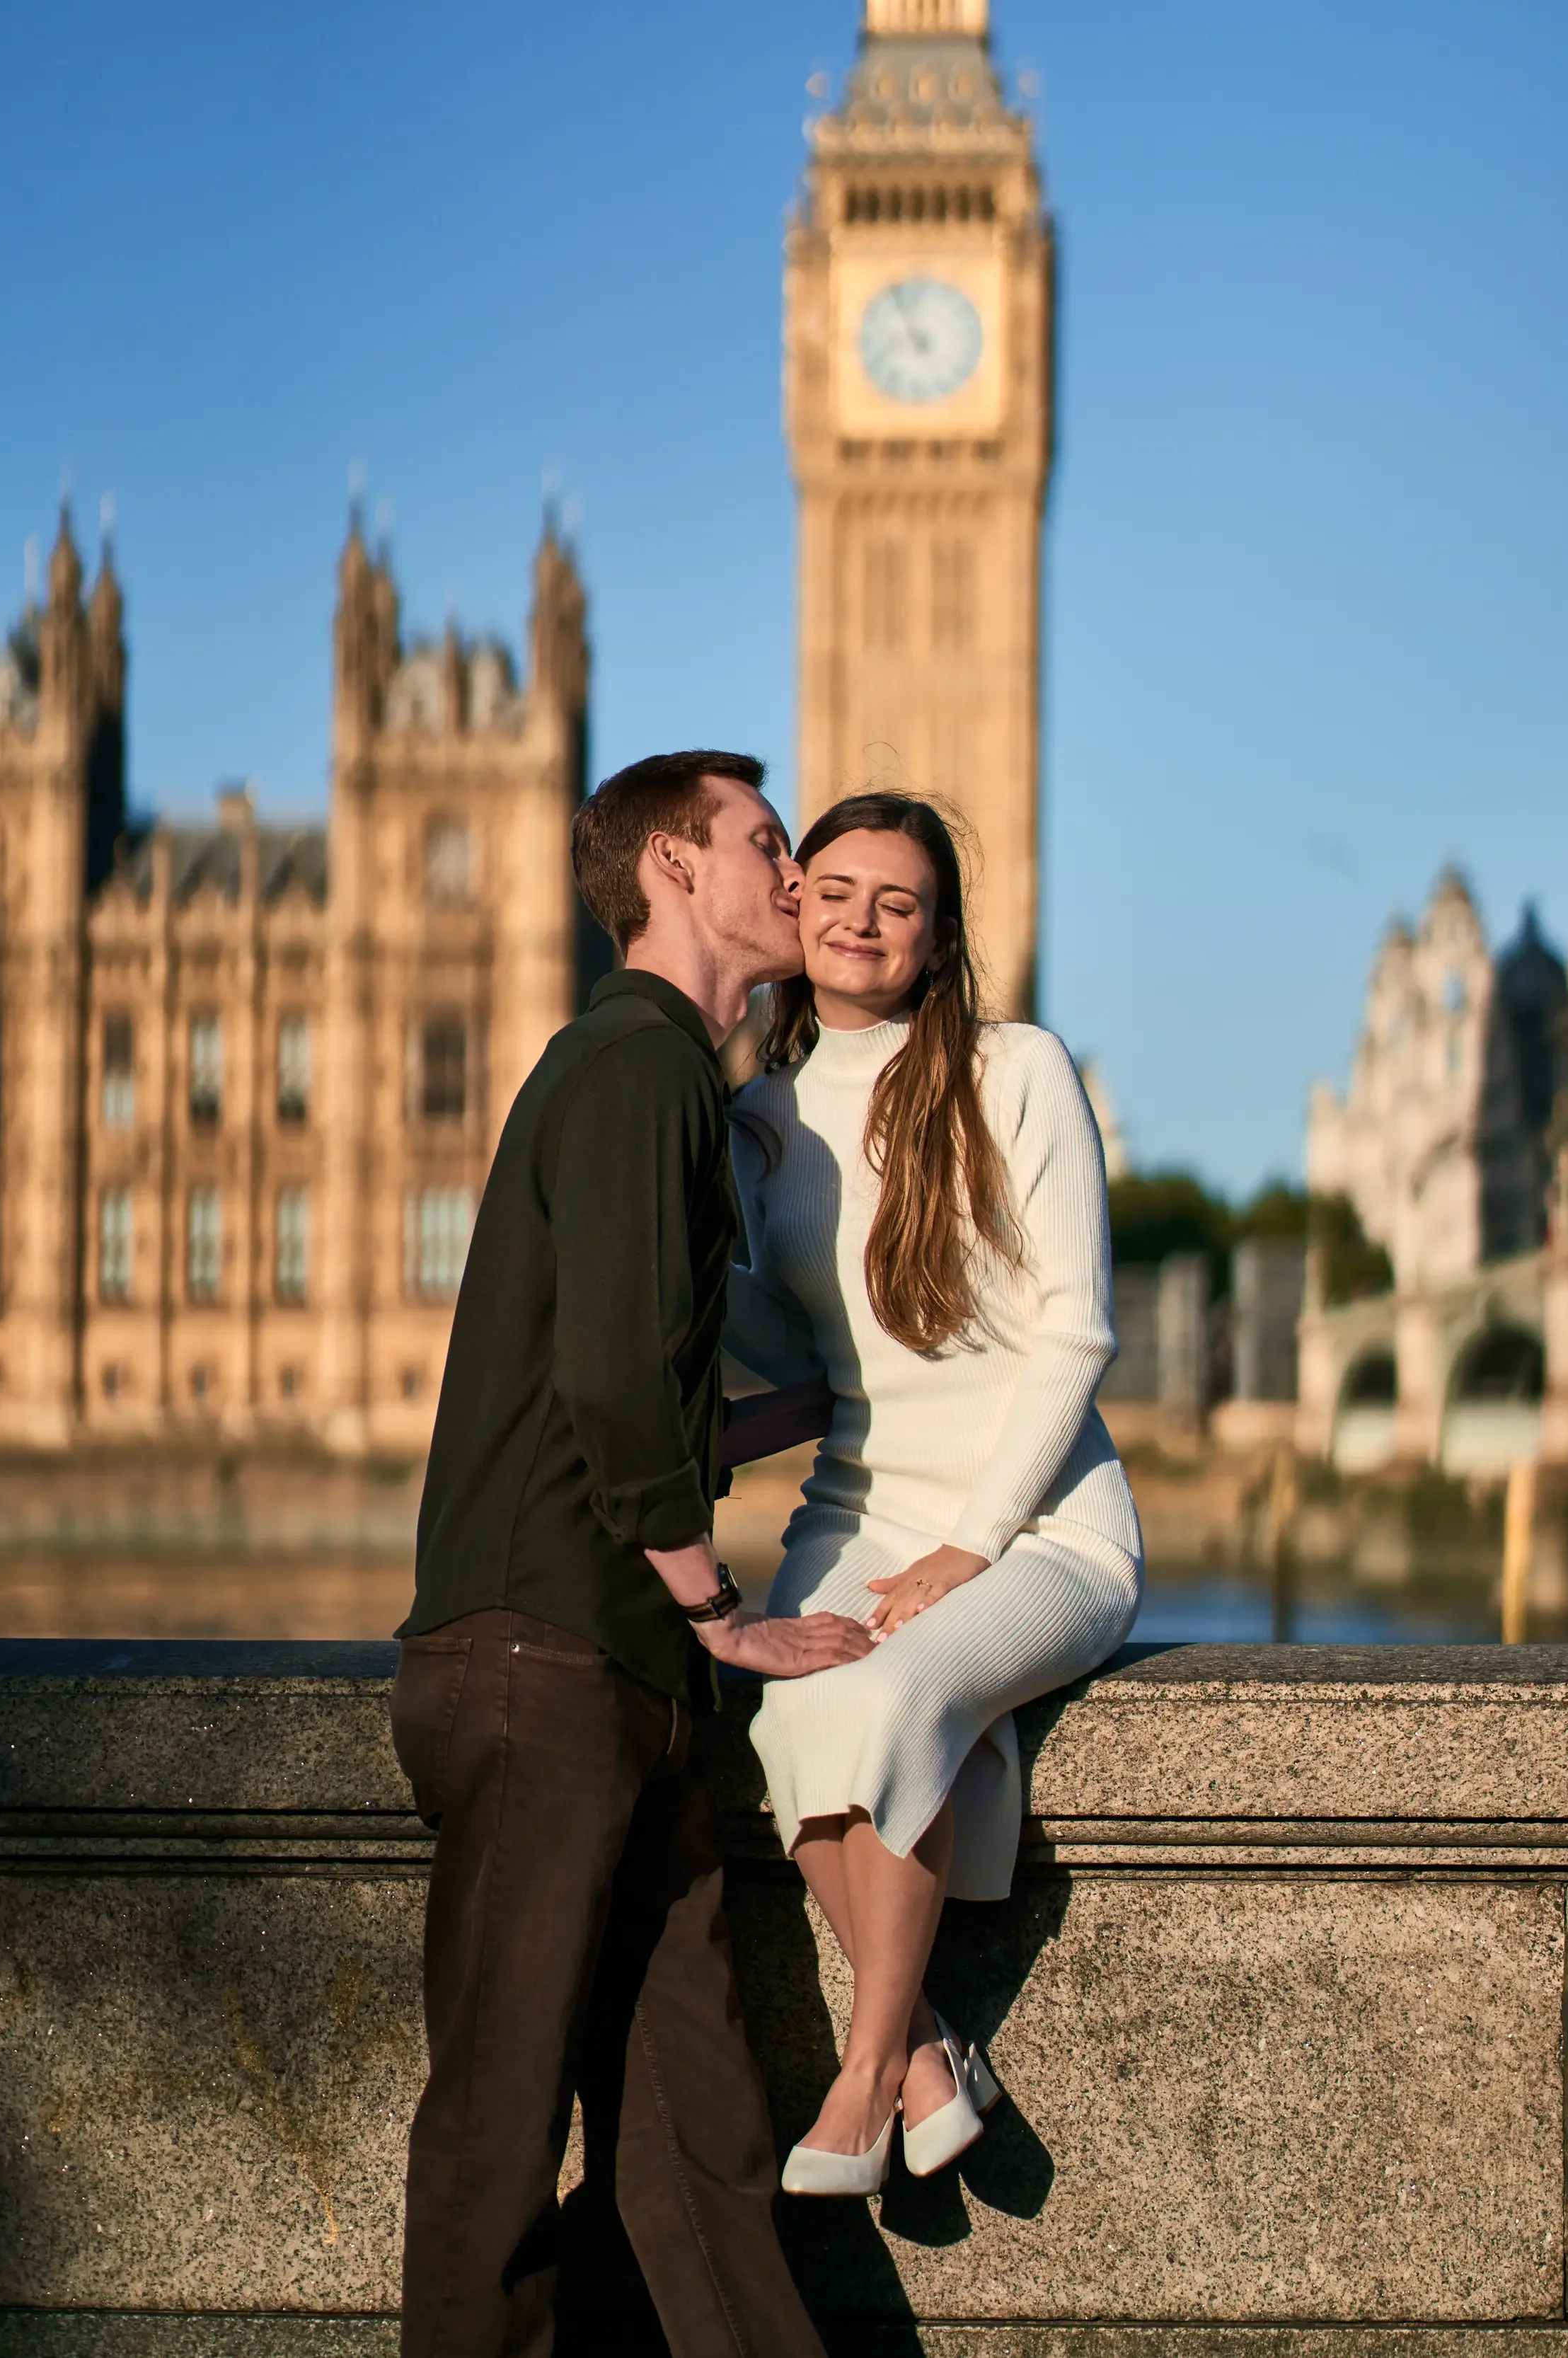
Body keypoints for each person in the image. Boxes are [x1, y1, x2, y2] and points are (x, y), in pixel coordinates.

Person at [390, 749, 871, 2358]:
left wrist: (841, 1397)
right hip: (542, 1660)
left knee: (698, 2145)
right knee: (499, 2137)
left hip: (623, 1679)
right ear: (670, 866)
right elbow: (603, 1382)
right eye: (765, 839)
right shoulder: (633, 1062)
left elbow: (632, 1404)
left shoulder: (667, 1075)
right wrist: (718, 1606)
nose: (796, 872)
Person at [727, 792, 1143, 2196]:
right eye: (832, 888)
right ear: (793, 912)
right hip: (853, 1509)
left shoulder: (1016, 1069)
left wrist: (973, 1543)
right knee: (786, 1700)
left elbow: (1074, 1331)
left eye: (894, 900)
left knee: (898, 1688)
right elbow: (791, 1355)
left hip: (1040, 1524)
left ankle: (862, 2066)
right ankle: (930, 2053)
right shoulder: (754, 1121)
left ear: (937, 936)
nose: (856, 916)